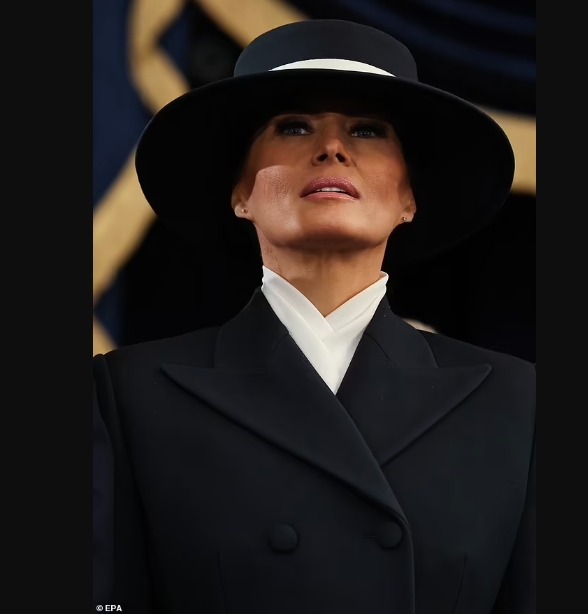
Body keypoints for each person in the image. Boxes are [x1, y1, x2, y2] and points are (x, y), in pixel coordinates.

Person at [93, 20, 535, 614]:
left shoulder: (518, 403)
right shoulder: (125, 396)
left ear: (409, 197)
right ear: (241, 192)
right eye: (293, 126)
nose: (332, 148)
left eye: (367, 130)